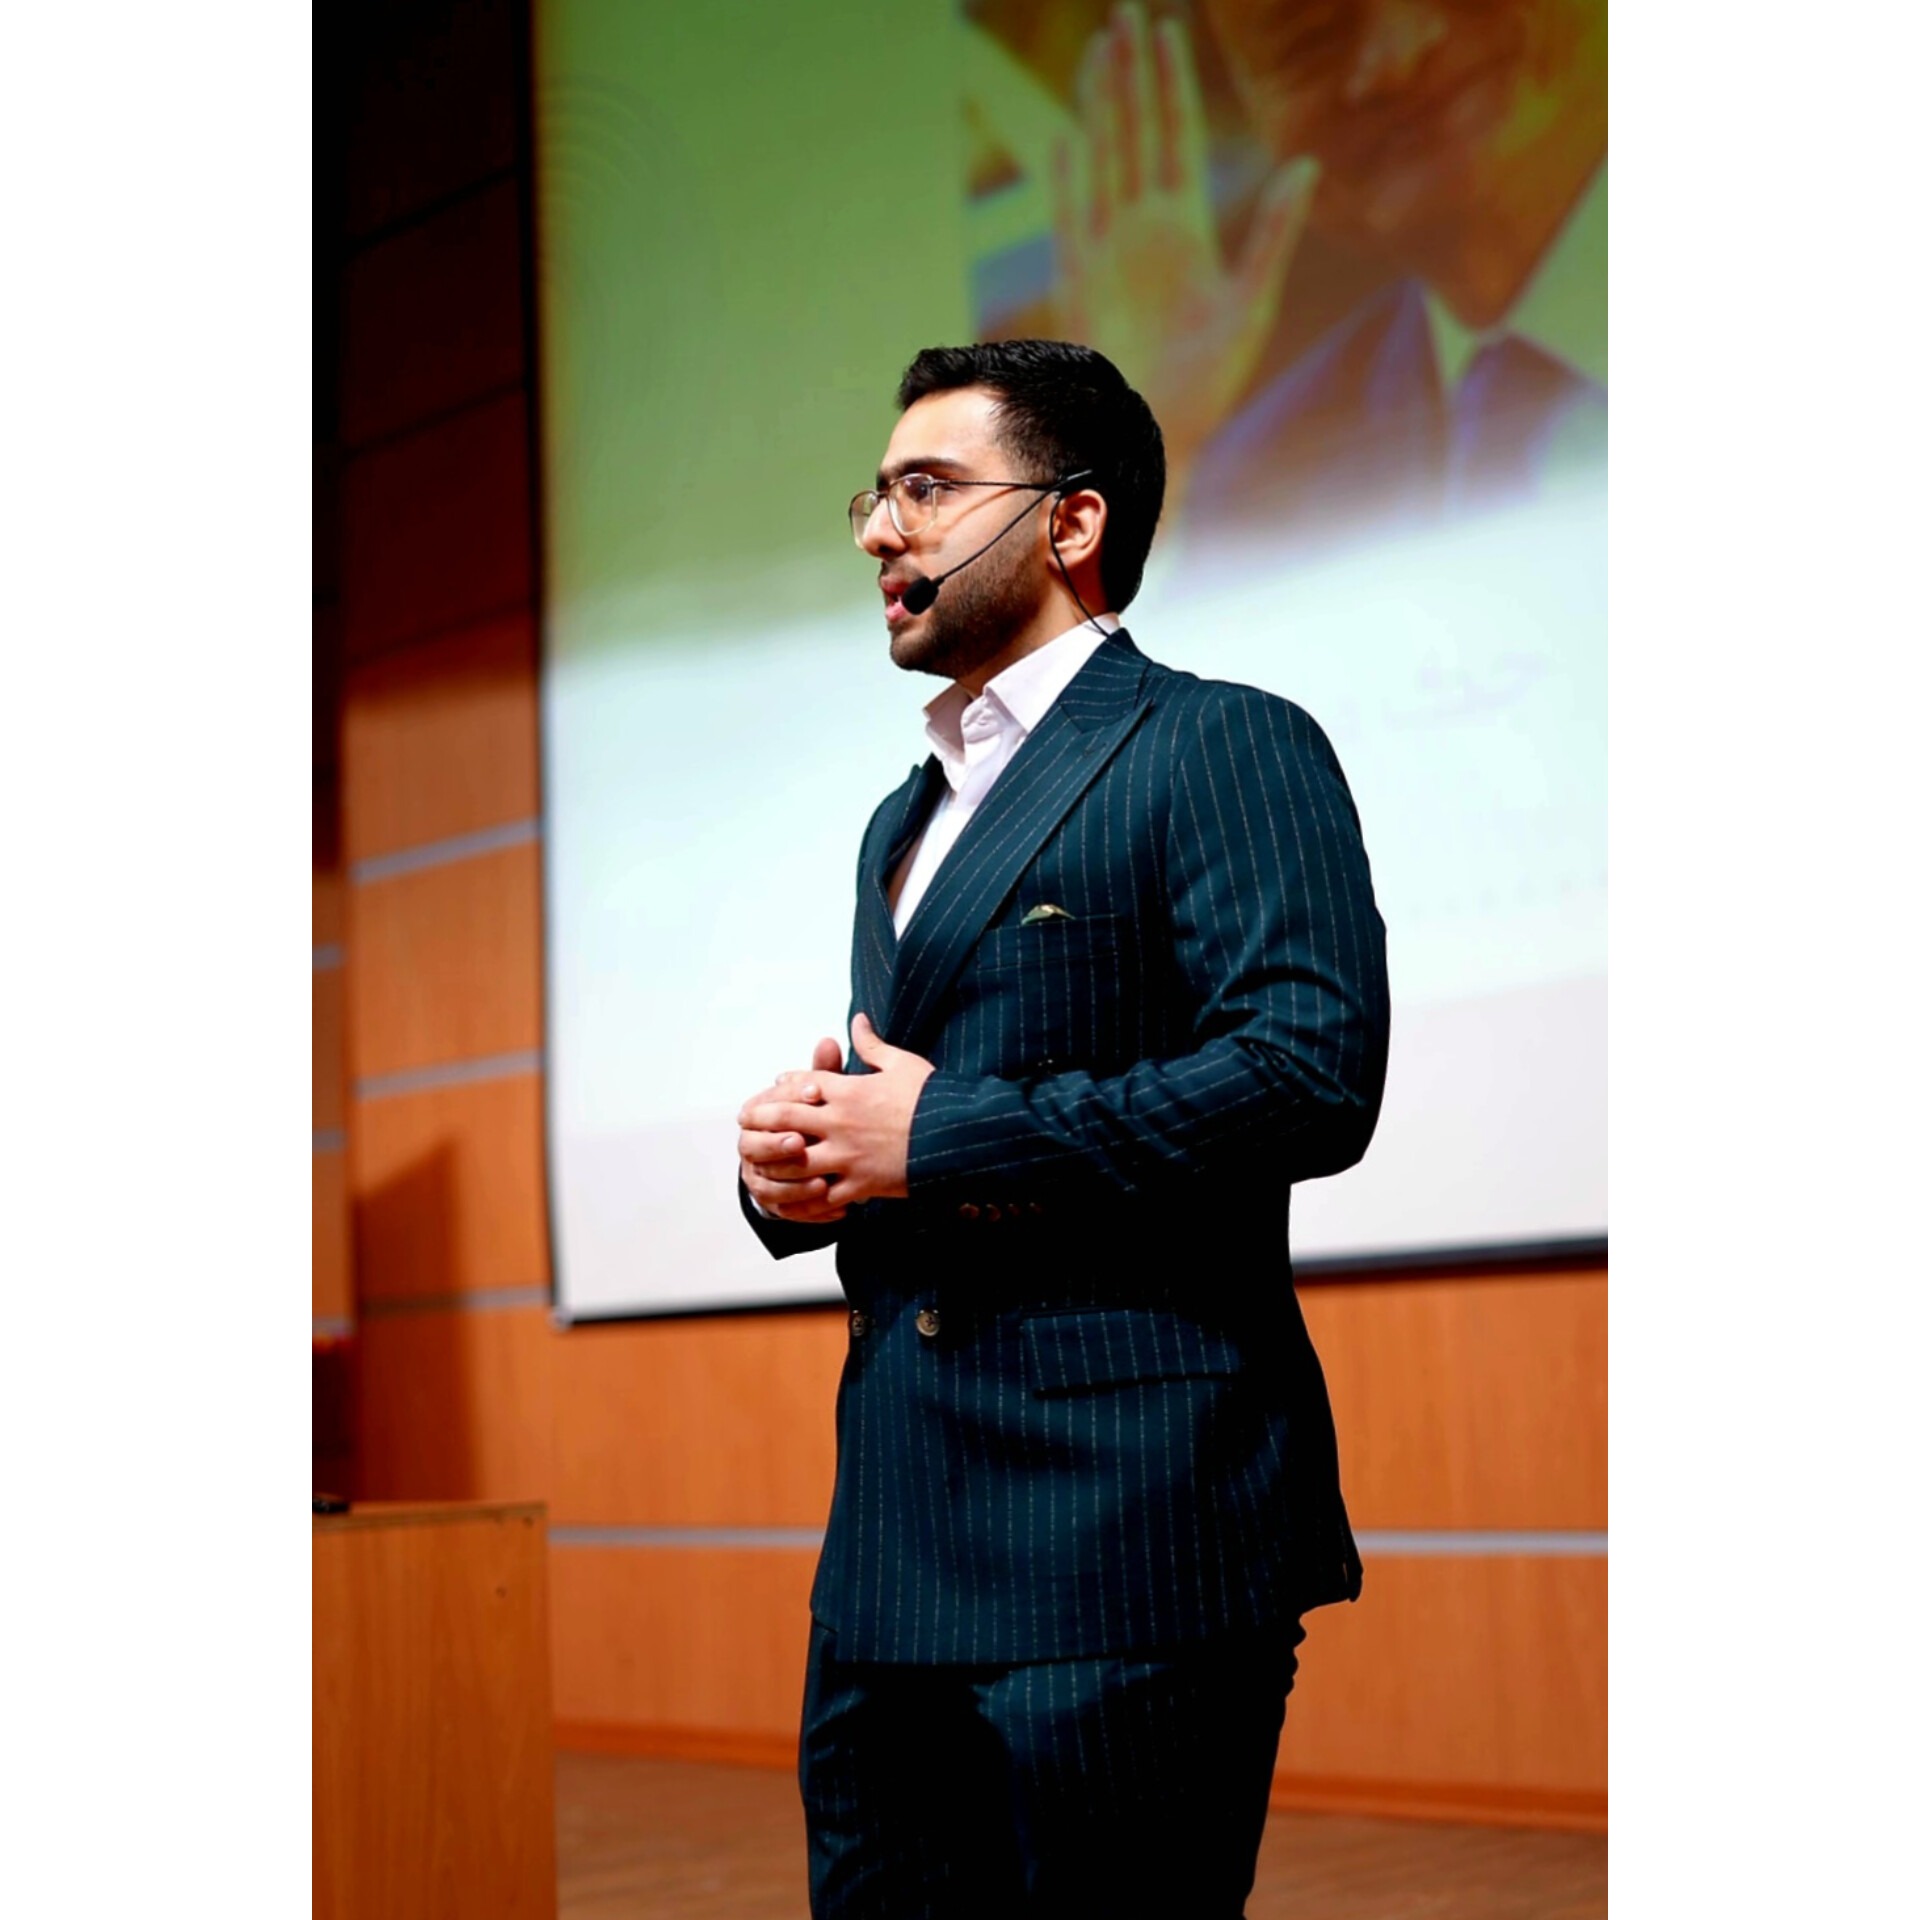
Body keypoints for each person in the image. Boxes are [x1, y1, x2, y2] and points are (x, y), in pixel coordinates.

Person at [734, 339, 1389, 1918]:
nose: (879, 530)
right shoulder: (902, 819)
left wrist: (937, 1137)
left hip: (1127, 1522)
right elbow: (911, 1101)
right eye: (874, 495)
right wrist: (805, 1169)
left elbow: (1308, 1073)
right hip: (894, 1541)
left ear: (1072, 522)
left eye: (926, 488)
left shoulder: (1220, 742)